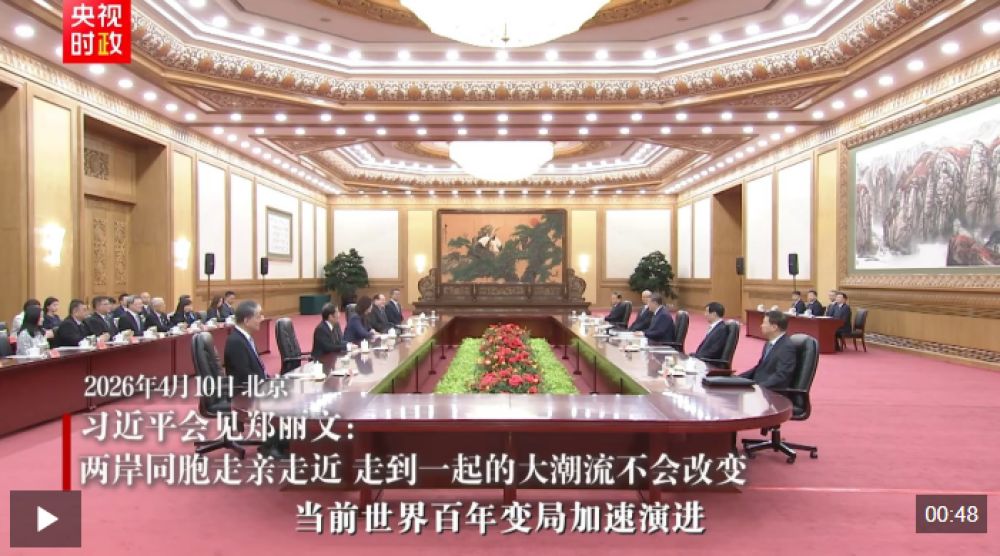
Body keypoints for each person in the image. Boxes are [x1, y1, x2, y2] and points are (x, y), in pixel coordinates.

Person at [223, 300, 284, 458]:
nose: (262, 319)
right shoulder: (235, 342)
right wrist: (267, 386)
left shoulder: (245, 338)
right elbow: (244, 374)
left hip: (254, 385)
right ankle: (271, 446)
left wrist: (269, 381)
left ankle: (281, 442)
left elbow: (256, 369)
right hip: (243, 391)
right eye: (258, 316)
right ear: (246, 320)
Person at [739, 310, 796, 389]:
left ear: (774, 327)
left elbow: (781, 376)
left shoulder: (786, 347)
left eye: (764, 323)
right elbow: (759, 368)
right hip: (759, 385)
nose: (761, 326)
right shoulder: (769, 343)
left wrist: (759, 387)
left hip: (771, 391)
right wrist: (738, 378)